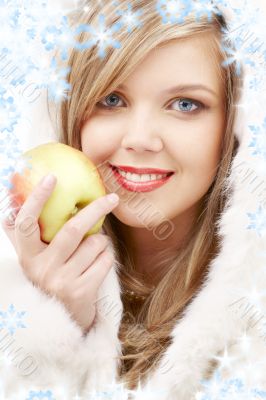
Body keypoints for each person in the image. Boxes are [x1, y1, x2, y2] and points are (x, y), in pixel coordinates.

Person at [1, 0, 266, 399]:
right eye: (111, 99)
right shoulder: (13, 301)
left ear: (235, 128)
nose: (140, 139)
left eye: (185, 104)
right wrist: (55, 327)